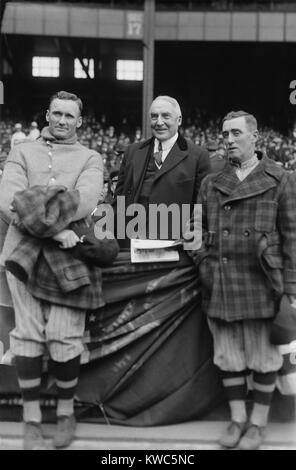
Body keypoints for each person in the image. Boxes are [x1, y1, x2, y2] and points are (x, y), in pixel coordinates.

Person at [0, 91, 103, 449]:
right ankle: (31, 421)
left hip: (68, 259)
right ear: (47, 114)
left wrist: (37, 205)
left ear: (79, 121)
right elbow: (8, 199)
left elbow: (84, 200)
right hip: (24, 253)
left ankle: (64, 413)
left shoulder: (90, 158)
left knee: (63, 335)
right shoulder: (21, 151)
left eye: (69, 116)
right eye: (56, 113)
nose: (61, 120)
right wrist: (55, 227)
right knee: (27, 335)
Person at [192, 110, 296, 450]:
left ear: (255, 138)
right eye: (225, 134)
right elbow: (198, 231)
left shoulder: (280, 178)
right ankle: (237, 420)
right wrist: (204, 259)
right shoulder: (210, 183)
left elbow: (293, 236)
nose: (229, 140)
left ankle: (258, 424)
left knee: (263, 357)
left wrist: (292, 288)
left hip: (263, 280)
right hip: (220, 280)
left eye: (236, 133)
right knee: (228, 356)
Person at [114, 95, 210, 245]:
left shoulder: (198, 156)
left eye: (166, 116)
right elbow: (119, 198)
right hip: (131, 243)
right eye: (154, 117)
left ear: (179, 120)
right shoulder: (132, 151)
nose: (159, 122)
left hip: (174, 246)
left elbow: (202, 210)